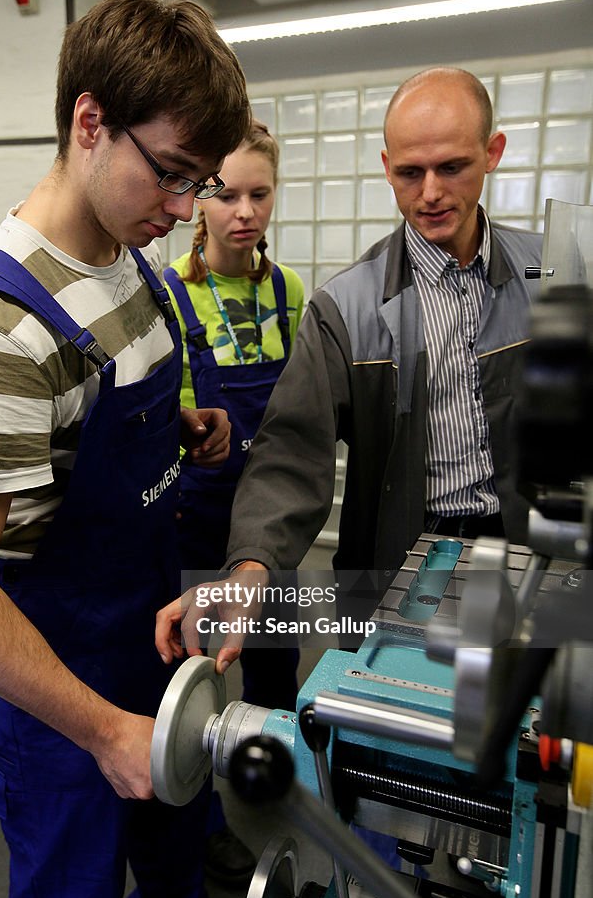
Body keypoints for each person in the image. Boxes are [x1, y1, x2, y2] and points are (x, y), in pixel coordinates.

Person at [0, 0, 251, 898]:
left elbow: (81, 433)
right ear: (89, 121)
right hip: (61, 706)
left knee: (181, 893)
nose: (188, 210)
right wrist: (103, 731)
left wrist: (177, 425)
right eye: (174, 176)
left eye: (203, 182)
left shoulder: (127, 256)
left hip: (155, 656)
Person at [155, 65, 544, 669]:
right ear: (387, 167)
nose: (432, 193)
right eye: (411, 173)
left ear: (491, 153)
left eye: (453, 168)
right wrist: (253, 565)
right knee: (395, 730)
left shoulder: (552, 279)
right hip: (401, 562)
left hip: (529, 556)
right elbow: (290, 450)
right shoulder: (348, 308)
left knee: (535, 733)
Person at [164, 120, 304, 885]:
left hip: (268, 520)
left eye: (259, 193)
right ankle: (205, 822)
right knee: (196, 671)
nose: (243, 210)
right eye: (225, 194)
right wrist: (190, 440)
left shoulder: (288, 292)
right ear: (200, 201)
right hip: (197, 513)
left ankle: (269, 774)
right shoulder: (171, 296)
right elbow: (159, 421)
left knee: (276, 659)